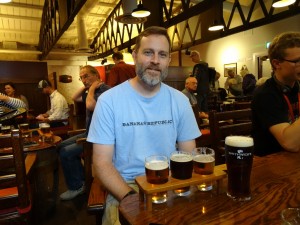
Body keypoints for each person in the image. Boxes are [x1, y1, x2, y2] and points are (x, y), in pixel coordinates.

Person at [87, 26, 201, 225]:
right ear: (134, 55)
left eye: (162, 54)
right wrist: (131, 197)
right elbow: (101, 164)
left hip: (170, 182)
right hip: (124, 187)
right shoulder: (108, 101)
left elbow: (189, 155)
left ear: (168, 60)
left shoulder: (180, 101)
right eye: (148, 52)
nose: (155, 60)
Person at [58, 65, 110, 201]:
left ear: (96, 75)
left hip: (99, 137)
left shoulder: (105, 90)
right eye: (81, 77)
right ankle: (82, 179)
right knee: (61, 145)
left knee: (65, 152)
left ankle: (77, 186)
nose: (83, 80)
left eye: (86, 76)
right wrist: (88, 87)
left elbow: (90, 106)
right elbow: (74, 98)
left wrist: (91, 88)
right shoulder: (91, 90)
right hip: (89, 133)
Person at [251, 31, 300, 156]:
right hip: (270, 164)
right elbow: (290, 143)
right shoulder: (265, 94)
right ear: (276, 63)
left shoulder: (297, 86)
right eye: (297, 61)